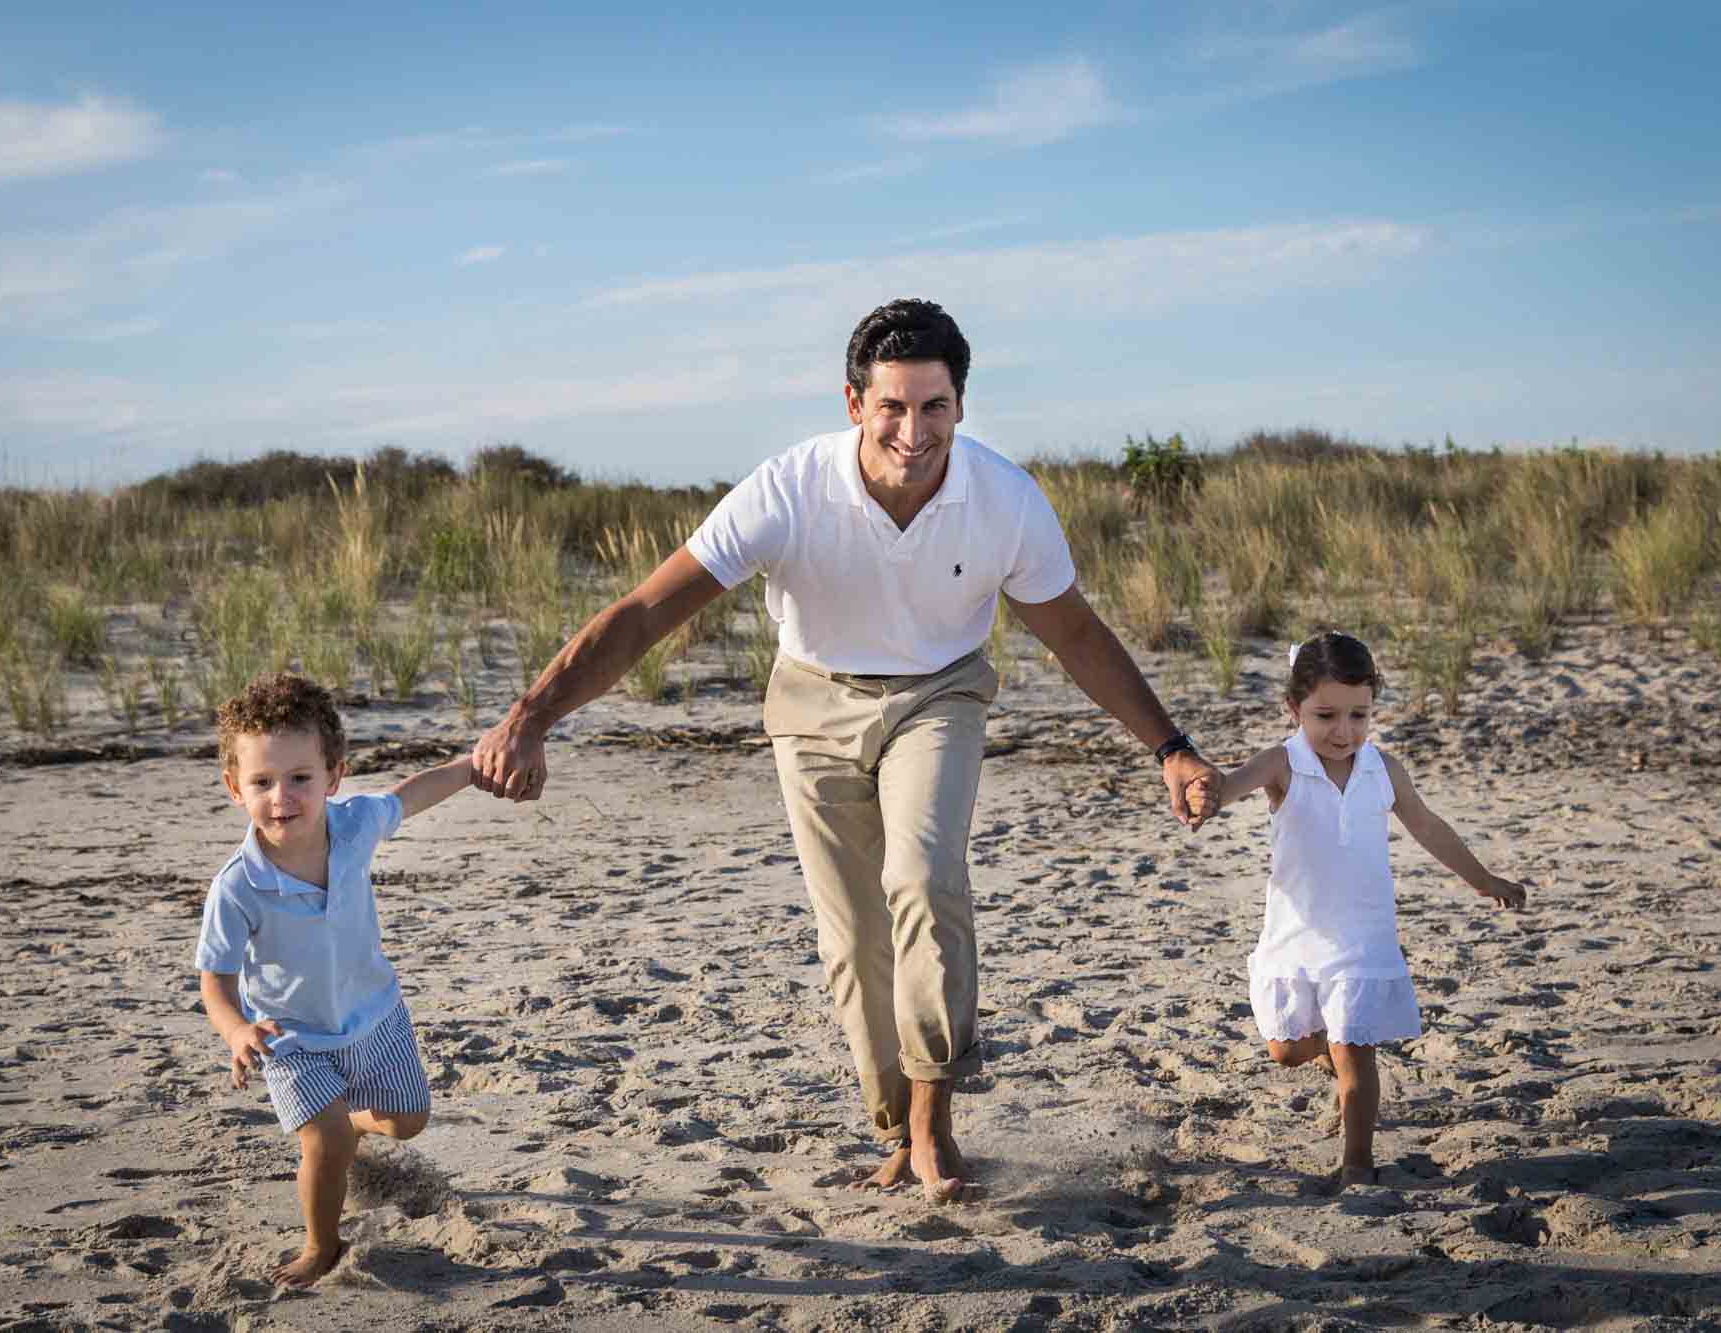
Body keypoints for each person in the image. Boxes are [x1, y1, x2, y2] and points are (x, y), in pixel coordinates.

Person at [472, 298, 1222, 1201]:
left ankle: (935, 1122)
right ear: (855, 403)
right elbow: (644, 613)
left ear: (961, 404)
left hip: (941, 692)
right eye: (894, 407)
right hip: (813, 700)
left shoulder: (1005, 499)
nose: (914, 431)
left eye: (934, 406)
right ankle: (893, 1121)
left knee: (923, 875)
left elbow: (1077, 635)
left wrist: (1170, 745)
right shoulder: (788, 490)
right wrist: (531, 715)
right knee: (855, 939)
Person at [1212, 631, 1529, 1188]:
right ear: (1295, 710)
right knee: (1287, 1049)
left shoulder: (1384, 769)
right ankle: (1324, 1057)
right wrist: (1201, 792)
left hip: (1363, 935)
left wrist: (1482, 879)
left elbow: (1428, 827)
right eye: (1326, 715)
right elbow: (1228, 787)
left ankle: (1357, 1165)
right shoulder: (1282, 765)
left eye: (1359, 716)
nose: (1344, 732)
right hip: (1298, 933)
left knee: (1356, 1052)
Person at [196, 672, 474, 1286]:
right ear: (234, 789)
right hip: (290, 1036)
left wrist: (473, 766)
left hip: (375, 1015)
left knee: (407, 1121)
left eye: (300, 778)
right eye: (262, 782)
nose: (282, 796)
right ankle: (322, 1244)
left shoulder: (352, 828)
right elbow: (213, 981)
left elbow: (410, 795)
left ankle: (349, 1122)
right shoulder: (237, 887)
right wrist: (237, 1030)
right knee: (323, 1145)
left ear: (333, 777)